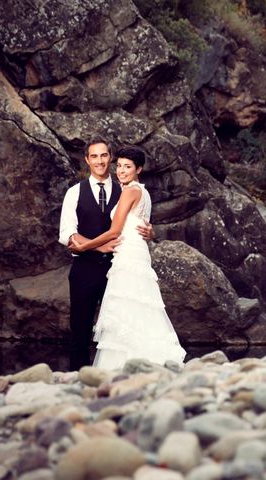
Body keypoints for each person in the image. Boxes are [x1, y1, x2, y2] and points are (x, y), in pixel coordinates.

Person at [69, 145, 186, 369]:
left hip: (128, 256)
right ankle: (143, 362)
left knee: (125, 308)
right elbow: (140, 224)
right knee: (137, 307)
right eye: (120, 166)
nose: (121, 171)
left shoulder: (130, 191)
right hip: (135, 253)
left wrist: (84, 247)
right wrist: (150, 234)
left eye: (128, 167)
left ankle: (123, 365)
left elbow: (114, 231)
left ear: (138, 169)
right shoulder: (142, 192)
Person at [58, 139, 153, 370]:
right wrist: (95, 246)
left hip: (118, 268)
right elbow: (68, 233)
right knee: (80, 329)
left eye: (104, 156)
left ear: (110, 158)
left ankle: (118, 374)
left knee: (120, 325)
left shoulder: (126, 186)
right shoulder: (74, 192)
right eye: (94, 156)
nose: (100, 161)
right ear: (87, 160)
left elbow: (136, 220)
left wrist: (150, 231)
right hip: (85, 269)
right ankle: (78, 381)